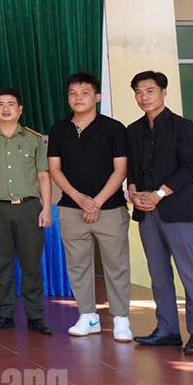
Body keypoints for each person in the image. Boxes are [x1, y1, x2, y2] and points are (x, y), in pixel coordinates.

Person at [126, 70, 193, 356]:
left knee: (189, 273)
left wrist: (159, 194)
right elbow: (133, 169)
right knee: (158, 275)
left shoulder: (183, 126)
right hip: (146, 212)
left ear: (163, 92)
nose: (143, 97)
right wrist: (134, 191)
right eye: (138, 91)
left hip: (176, 209)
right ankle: (167, 330)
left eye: (149, 90)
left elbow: (189, 167)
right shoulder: (133, 130)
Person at [47, 72, 132, 341]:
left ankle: (121, 318)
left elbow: (121, 170)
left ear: (97, 97)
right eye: (73, 93)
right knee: (78, 264)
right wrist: (80, 198)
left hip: (110, 208)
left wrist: (96, 201)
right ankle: (87, 315)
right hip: (72, 209)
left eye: (84, 93)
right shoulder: (59, 129)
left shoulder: (114, 128)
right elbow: (55, 170)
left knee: (116, 264)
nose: (78, 98)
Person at [0, 88, 53, 335]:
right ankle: (4, 313)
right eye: (0, 104)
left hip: (29, 208)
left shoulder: (34, 139)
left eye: (11, 104)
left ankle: (35, 316)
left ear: (20, 109)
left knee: (31, 265)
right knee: (2, 264)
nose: (6, 109)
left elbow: (43, 175)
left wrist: (47, 208)